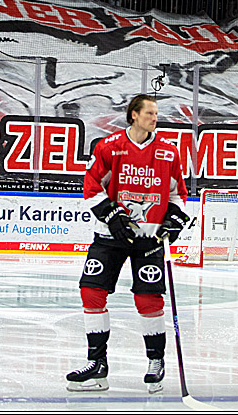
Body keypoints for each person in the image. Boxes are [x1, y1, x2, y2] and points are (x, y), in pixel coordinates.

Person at [66, 94, 189, 394]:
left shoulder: (168, 152)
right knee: (91, 291)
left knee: (148, 301)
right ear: (133, 115)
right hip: (110, 236)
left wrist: (174, 220)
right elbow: (92, 185)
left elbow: (178, 194)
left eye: (156, 113)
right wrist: (112, 216)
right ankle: (97, 365)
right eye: (149, 112)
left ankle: (155, 362)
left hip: (148, 238)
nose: (154, 118)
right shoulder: (109, 147)